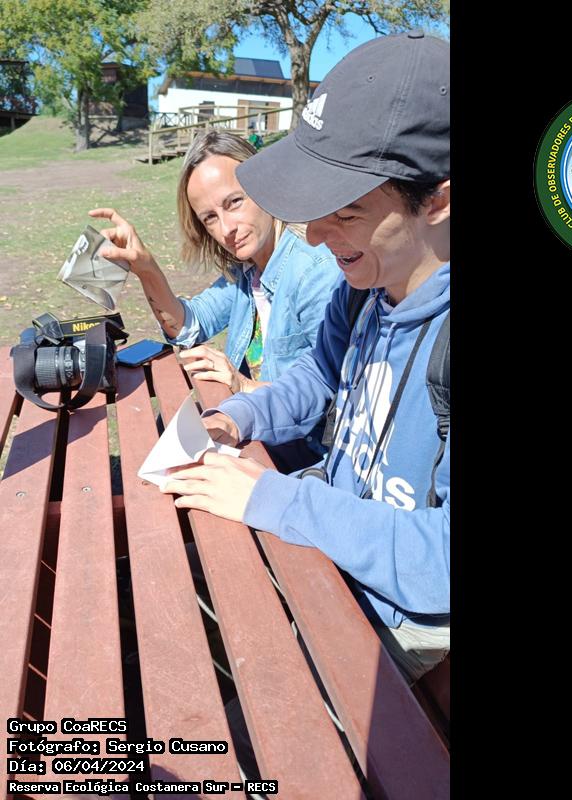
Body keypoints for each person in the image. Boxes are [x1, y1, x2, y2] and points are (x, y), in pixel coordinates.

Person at [163, 31, 450, 685]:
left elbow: (441, 561)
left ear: (436, 200)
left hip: (399, 611)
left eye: (344, 212)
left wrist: (277, 500)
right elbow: (315, 379)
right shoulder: (365, 288)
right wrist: (235, 418)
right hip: (331, 538)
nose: (316, 237)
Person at [89, 130, 342, 468]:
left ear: (265, 185)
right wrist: (146, 269)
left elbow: (335, 398)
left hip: (302, 462)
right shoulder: (248, 272)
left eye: (234, 202)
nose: (226, 229)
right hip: (256, 437)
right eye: (209, 217)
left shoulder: (314, 272)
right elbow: (188, 327)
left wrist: (242, 384)